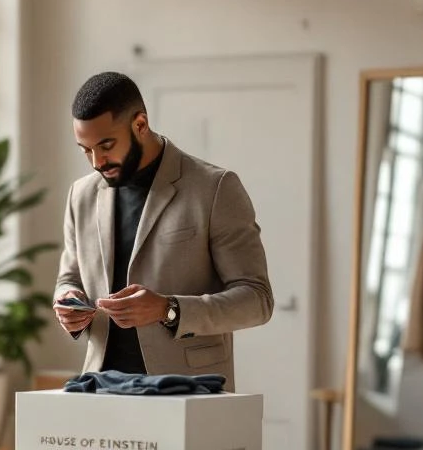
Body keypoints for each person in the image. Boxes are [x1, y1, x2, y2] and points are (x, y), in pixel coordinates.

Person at [54, 71, 273, 389]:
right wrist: (68, 300)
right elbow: (69, 277)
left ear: (140, 124)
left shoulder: (214, 188)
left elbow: (257, 300)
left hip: (190, 391)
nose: (96, 162)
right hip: (100, 389)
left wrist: (169, 309)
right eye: (85, 150)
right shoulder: (81, 195)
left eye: (106, 145)